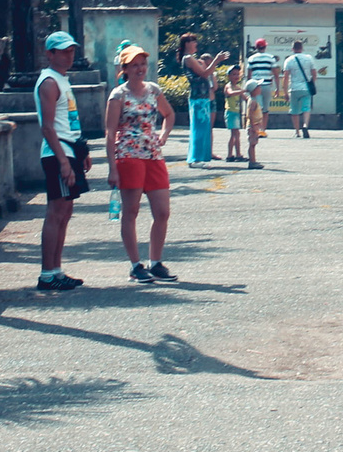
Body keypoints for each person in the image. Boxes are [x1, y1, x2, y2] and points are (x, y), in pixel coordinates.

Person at [104, 44, 176, 282]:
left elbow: (169, 114)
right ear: (124, 68)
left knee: (162, 211)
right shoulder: (118, 95)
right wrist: (112, 167)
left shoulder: (154, 90)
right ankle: (136, 265)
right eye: (134, 65)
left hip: (153, 155)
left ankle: (156, 262)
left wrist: (164, 135)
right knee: (131, 211)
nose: (140, 69)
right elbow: (110, 130)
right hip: (128, 155)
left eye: (143, 64)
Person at [32, 31, 86, 291]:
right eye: (63, 51)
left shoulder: (63, 80)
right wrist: (64, 162)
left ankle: (56, 270)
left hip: (69, 150)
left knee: (65, 212)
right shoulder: (49, 82)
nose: (69, 55)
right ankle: (46, 274)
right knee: (56, 212)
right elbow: (48, 127)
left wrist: (81, 152)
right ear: (50, 53)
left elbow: (68, 122)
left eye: (71, 50)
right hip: (57, 153)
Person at [176, 33, 227, 168]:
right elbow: (205, 74)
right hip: (198, 98)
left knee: (203, 128)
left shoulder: (191, 59)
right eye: (193, 42)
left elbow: (206, 73)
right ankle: (195, 159)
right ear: (187, 43)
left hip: (201, 97)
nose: (196, 45)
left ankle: (199, 157)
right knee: (199, 128)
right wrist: (216, 60)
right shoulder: (188, 58)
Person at [228, 61, 264, 168]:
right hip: (253, 126)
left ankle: (253, 160)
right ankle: (252, 162)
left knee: (254, 143)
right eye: (258, 87)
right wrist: (253, 125)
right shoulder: (252, 101)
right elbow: (250, 114)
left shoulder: (253, 100)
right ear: (254, 90)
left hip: (255, 125)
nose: (260, 89)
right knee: (252, 144)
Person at [282, 38, 320, 138]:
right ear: (302, 48)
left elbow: (285, 77)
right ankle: (305, 125)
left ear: (292, 48)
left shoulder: (289, 60)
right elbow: (314, 72)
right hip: (306, 87)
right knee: (306, 108)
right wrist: (312, 82)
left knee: (294, 111)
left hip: (294, 88)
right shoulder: (309, 58)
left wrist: (285, 91)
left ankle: (297, 131)